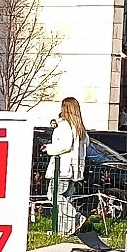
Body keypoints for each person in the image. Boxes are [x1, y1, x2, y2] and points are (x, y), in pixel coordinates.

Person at [44, 96, 88, 230]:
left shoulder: (64, 126)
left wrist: (49, 148)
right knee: (65, 198)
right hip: (74, 168)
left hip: (62, 168)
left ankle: (76, 217)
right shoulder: (80, 129)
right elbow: (85, 145)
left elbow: (65, 145)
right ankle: (66, 228)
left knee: (54, 196)